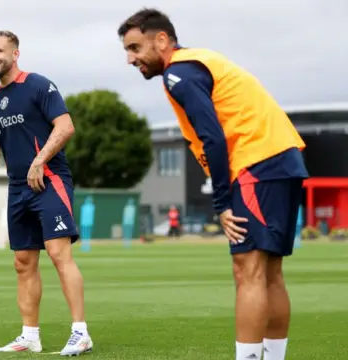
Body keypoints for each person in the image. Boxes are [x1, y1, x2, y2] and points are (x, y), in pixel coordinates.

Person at [117, 8, 309, 360]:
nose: (130, 59)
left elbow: (213, 139)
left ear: (162, 40)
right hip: (282, 157)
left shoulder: (178, 74)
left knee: (247, 271)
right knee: (269, 273)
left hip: (257, 163)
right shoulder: (198, 61)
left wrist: (221, 203)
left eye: (134, 48)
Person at [0, 30, 93, 356]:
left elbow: (66, 126)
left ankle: (80, 332)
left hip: (49, 181)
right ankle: (29, 336)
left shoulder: (39, 86)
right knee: (22, 262)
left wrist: (40, 160)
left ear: (16, 54)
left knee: (60, 254)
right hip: (18, 187)